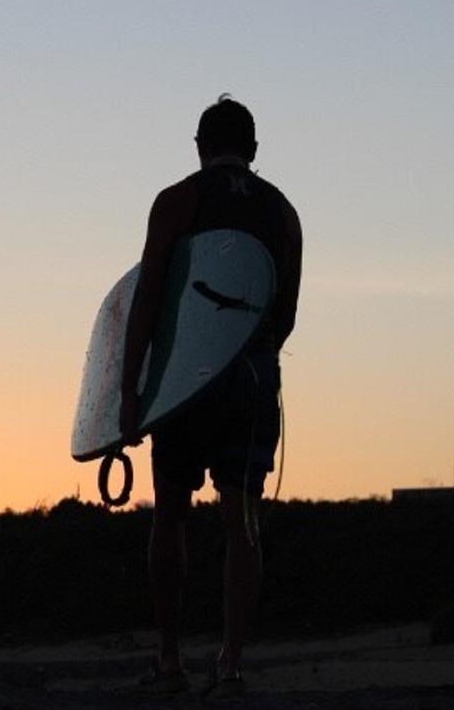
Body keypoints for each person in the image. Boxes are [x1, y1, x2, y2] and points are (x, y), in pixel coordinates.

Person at [120, 95, 302, 695]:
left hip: (186, 384)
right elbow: (287, 315)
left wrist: (129, 390)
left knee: (170, 512)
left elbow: (148, 296)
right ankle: (230, 662)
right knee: (242, 521)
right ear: (252, 150)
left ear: (199, 146)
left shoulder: (177, 200)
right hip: (252, 383)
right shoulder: (284, 213)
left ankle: (170, 658)